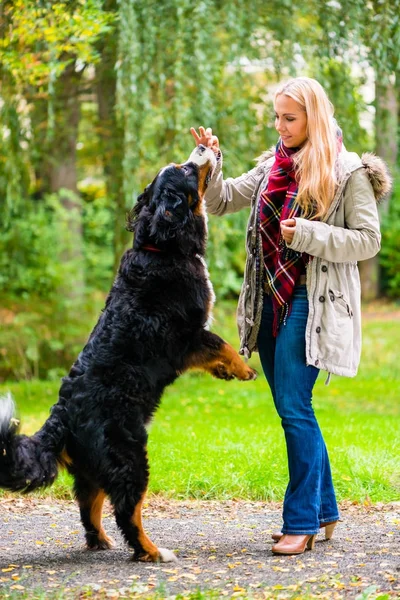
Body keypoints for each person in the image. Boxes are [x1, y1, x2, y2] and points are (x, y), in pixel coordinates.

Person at [190, 77, 391, 555]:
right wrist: (211, 162)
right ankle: (324, 511)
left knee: (294, 408)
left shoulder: (348, 172)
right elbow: (217, 202)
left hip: (312, 302)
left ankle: (299, 522)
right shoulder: (269, 167)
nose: (280, 126)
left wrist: (309, 234)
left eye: (290, 118)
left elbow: (368, 239)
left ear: (313, 117)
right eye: (277, 117)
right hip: (267, 303)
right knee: (293, 410)